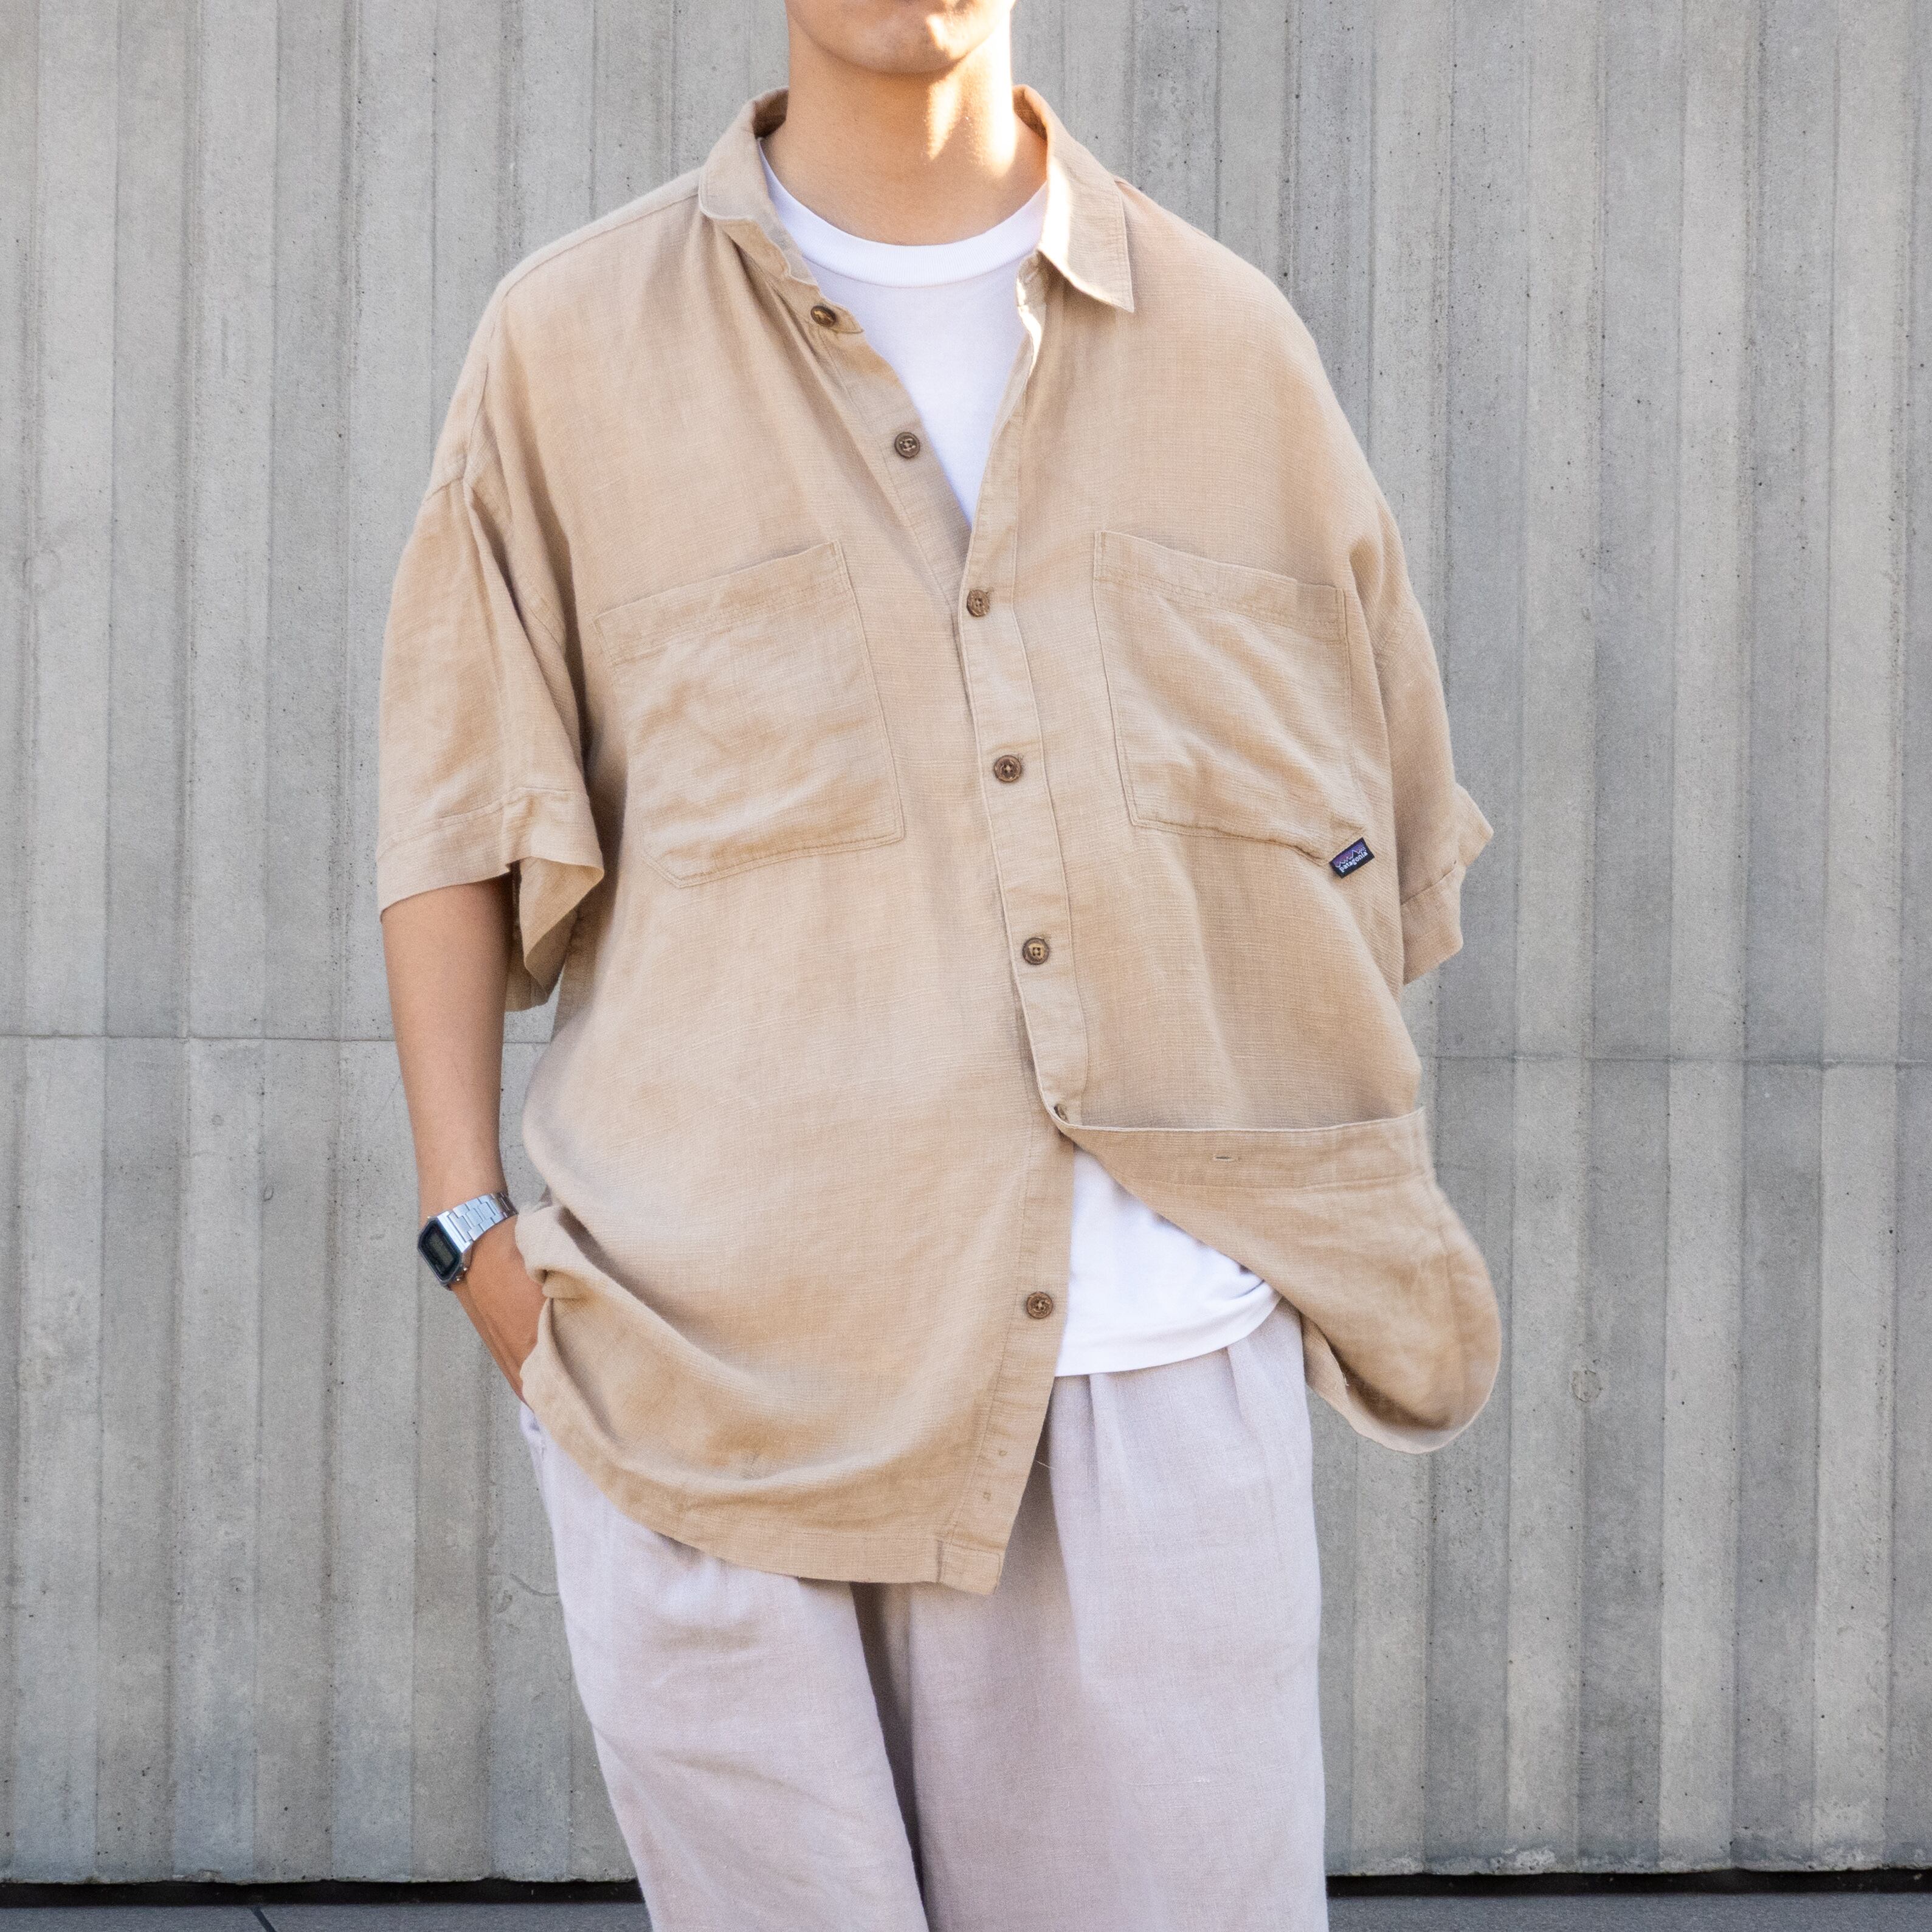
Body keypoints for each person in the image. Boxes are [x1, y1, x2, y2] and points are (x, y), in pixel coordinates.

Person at [378, 3, 1498, 1927]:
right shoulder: (572, 344)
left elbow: (1373, 837)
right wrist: (472, 1232)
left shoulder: (1230, 345)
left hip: (1148, 1385)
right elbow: (459, 808)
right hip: (704, 1384)